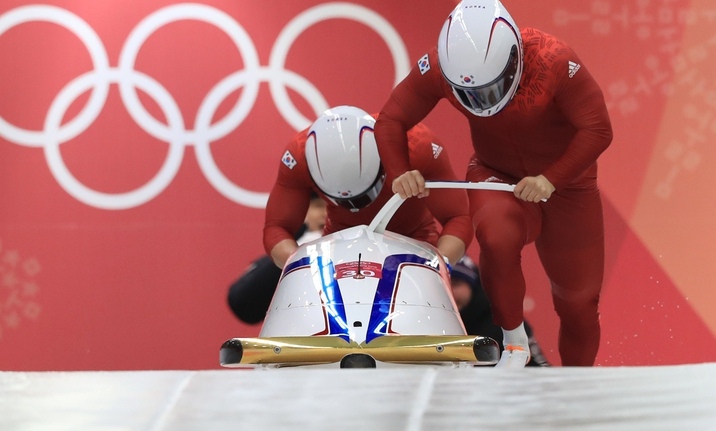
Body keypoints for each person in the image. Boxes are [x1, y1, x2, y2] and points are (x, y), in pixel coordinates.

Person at [374, 0, 613, 368]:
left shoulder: (554, 61)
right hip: (495, 173)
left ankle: (577, 382)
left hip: (568, 187)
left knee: (578, 302)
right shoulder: (438, 65)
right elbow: (390, 118)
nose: (483, 103)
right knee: (497, 236)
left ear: (515, 60)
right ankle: (514, 341)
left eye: (492, 88)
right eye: (469, 94)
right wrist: (399, 170)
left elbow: (598, 129)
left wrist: (552, 179)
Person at [263, 105, 473, 270]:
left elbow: (458, 217)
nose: (355, 206)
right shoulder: (299, 157)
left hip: (414, 242)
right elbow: (277, 228)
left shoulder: (417, 146)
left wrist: (437, 266)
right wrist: (302, 268)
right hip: (341, 246)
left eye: (364, 196)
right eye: (345, 201)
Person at [227, 193, 326, 324]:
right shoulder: (297, 243)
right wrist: (295, 256)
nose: (326, 214)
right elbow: (242, 303)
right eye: (319, 206)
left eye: (334, 207)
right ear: (305, 212)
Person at [450, 256, 549, 367]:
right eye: (443, 285)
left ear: (473, 285)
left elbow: (540, 371)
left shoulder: (503, 321)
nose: (449, 292)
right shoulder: (429, 320)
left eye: (455, 284)